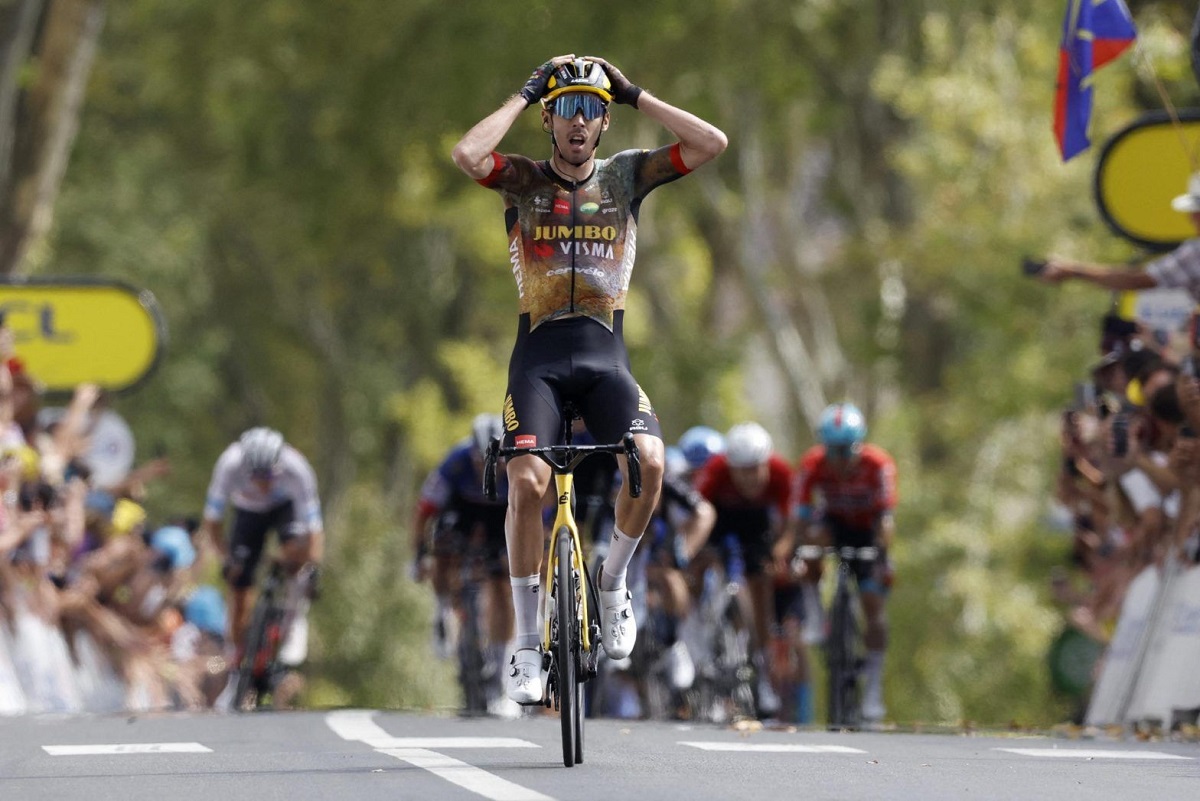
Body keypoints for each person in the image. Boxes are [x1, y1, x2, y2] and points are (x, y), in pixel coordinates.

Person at [452, 55, 727, 704]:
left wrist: (634, 93)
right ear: (550, 119)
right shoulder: (522, 180)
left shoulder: (626, 175)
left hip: (607, 361)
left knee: (651, 462)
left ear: (603, 120)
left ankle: (610, 584)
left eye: (591, 108)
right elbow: (468, 154)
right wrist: (523, 93)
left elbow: (710, 143)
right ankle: (525, 641)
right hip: (538, 363)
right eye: (567, 108)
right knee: (526, 481)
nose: (579, 120)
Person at [784, 402, 897, 723]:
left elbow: (887, 520)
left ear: (859, 445)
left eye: (846, 451)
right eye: (832, 451)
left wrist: (881, 557)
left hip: (868, 531)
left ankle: (873, 683)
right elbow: (800, 515)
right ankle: (816, 614)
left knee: (874, 605)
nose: (840, 460)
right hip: (833, 526)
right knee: (811, 545)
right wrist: (797, 550)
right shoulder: (813, 463)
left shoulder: (878, 464)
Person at [411, 413, 514, 715]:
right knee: (442, 546)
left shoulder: (516, 463)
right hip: (462, 511)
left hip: (501, 516)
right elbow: (424, 512)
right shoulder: (455, 462)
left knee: (502, 585)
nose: (488, 469)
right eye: (481, 463)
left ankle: (499, 670)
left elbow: (537, 511)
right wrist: (419, 553)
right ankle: (443, 608)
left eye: (494, 464)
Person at [199, 427, 324, 668]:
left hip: (284, 509)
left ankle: (295, 616)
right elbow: (212, 521)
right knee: (238, 582)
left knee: (295, 555)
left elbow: (315, 529)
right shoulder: (229, 464)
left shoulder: (297, 468)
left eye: (269, 477)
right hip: (247, 511)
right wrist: (226, 557)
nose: (263, 483)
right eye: (257, 477)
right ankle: (235, 651)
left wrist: (312, 566)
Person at [694, 421, 793, 718]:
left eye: (755, 470)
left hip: (757, 526)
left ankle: (763, 673)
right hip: (720, 521)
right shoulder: (715, 472)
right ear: (730, 466)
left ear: (766, 463)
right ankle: (696, 645)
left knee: (762, 584)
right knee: (696, 565)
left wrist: (780, 550)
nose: (749, 479)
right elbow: (697, 513)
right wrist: (698, 555)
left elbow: (791, 525)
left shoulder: (782, 474)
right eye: (742, 471)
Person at [1040, 172, 1200, 300]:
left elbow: (1135, 280)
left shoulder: (1195, 252)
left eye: (1196, 212)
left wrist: (1072, 270)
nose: (1191, 218)